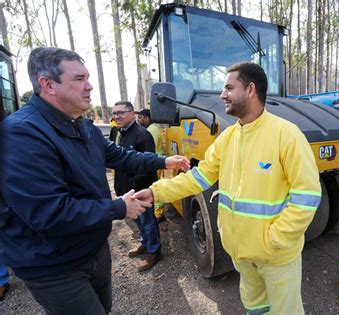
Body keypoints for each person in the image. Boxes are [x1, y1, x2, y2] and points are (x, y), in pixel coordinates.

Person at [0, 47, 190, 314]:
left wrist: (162, 161)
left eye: (88, 77)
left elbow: (121, 156)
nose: (89, 86)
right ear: (47, 84)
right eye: (79, 79)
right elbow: (49, 212)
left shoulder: (83, 125)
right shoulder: (23, 134)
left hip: (93, 250)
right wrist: (119, 207)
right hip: (55, 265)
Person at [134, 62, 321, 314]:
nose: (222, 94)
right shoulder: (228, 138)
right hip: (241, 253)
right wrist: (157, 192)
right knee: (254, 307)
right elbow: (197, 179)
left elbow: (307, 196)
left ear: (251, 89)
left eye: (229, 87)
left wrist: (275, 239)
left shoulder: (287, 134)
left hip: (275, 255)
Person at [113, 102, 162, 272]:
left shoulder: (143, 135)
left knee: (147, 220)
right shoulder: (121, 134)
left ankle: (154, 251)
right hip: (128, 189)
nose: (117, 116)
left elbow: (149, 164)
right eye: (114, 113)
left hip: (140, 189)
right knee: (137, 220)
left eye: (121, 112)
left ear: (132, 113)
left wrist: (134, 186)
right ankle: (145, 243)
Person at [136, 108, 166, 221]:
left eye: (140, 117)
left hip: (154, 164)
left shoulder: (151, 130)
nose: (138, 120)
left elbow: (147, 147)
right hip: (154, 162)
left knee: (155, 189)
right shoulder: (150, 128)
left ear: (147, 118)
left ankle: (159, 214)